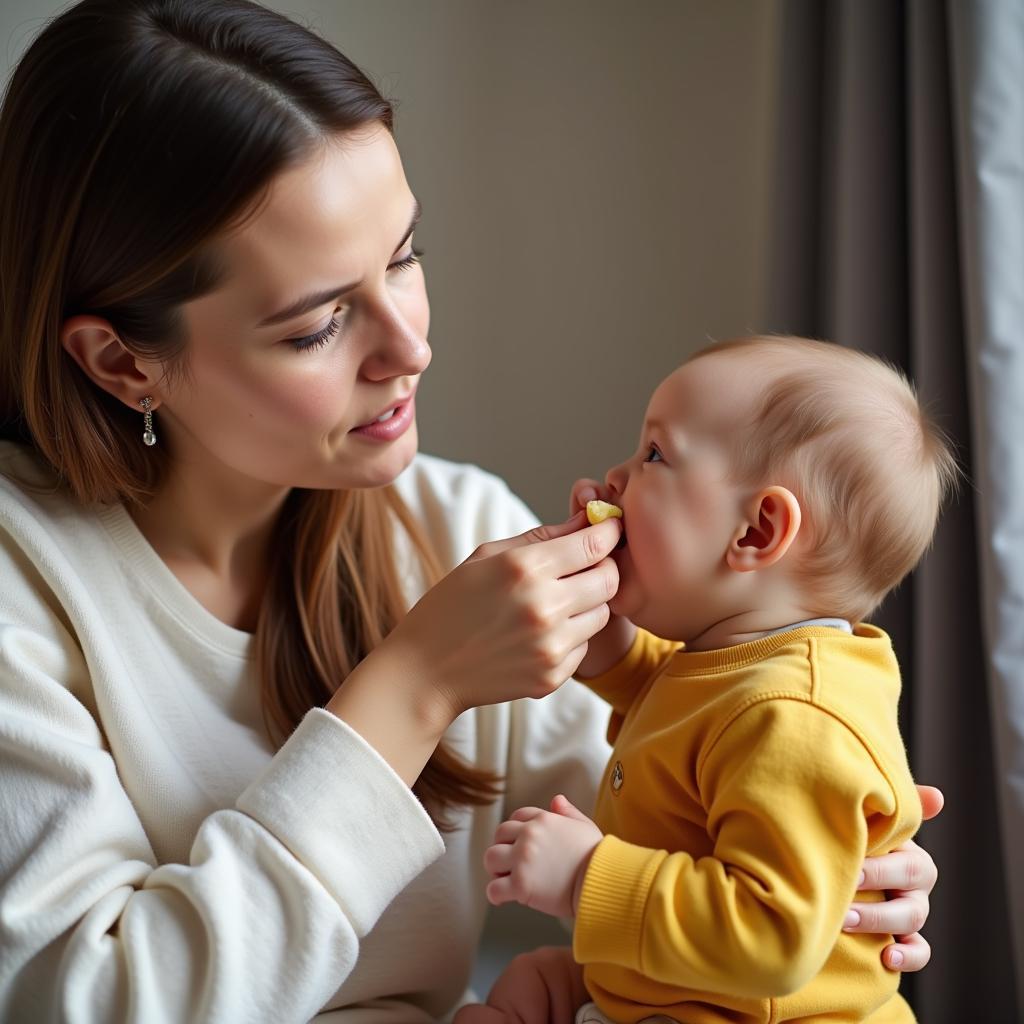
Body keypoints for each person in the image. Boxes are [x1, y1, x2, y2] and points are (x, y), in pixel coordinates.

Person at [0, 2, 940, 1020]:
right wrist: (414, 683)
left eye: (404, 256)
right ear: (121, 360)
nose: (411, 346)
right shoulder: (27, 592)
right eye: (319, 323)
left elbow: (702, 813)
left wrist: (845, 867)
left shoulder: (452, 527)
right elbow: (88, 1000)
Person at [465, 336, 955, 1024]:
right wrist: (609, 645)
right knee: (535, 982)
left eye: (655, 455)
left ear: (756, 532)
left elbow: (772, 937)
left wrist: (586, 878)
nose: (616, 474)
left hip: (749, 1010)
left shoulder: (793, 716)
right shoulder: (740, 665)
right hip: (686, 992)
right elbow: (677, 708)